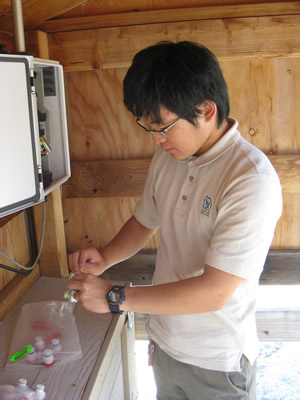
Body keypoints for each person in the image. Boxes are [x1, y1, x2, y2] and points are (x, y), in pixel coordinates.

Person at [68, 41, 282, 399]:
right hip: (166, 342)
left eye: (162, 127)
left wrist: (116, 299)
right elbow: (144, 221)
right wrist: (106, 257)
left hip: (217, 361)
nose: (155, 140)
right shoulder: (171, 156)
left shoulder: (249, 179)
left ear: (206, 110)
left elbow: (214, 292)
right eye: (147, 127)